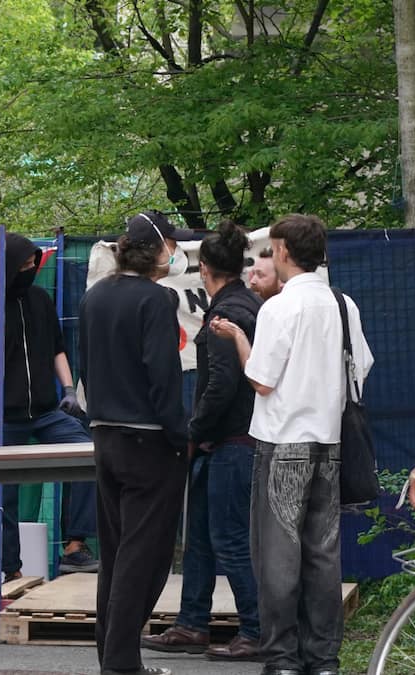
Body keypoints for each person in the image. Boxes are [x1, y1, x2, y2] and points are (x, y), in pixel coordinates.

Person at [212, 213, 372, 675]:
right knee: (323, 554)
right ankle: (323, 659)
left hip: (282, 441)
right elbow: (361, 368)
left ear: (283, 251)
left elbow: (261, 380)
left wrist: (240, 342)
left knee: (277, 556)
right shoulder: (343, 304)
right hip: (330, 440)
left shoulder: (279, 308)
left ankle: (282, 658)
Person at [79, 210, 197, 675]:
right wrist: (179, 435)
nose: (176, 252)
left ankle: (112, 655)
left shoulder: (95, 296)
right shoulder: (156, 299)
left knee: (115, 550)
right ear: (158, 249)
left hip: (104, 434)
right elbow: (162, 376)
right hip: (149, 440)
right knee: (143, 555)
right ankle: (122, 662)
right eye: (172, 244)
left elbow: (87, 367)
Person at [142, 221, 262, 662]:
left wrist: (194, 432)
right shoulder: (247, 305)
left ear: (204, 268)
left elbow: (222, 386)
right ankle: (192, 622)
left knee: (229, 539)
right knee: (200, 538)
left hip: (231, 442)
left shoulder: (225, 316)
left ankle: (256, 630)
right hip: (227, 442)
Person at [1, 232, 99, 582]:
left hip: (46, 412)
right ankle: (10, 570)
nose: (31, 269)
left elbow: (58, 348)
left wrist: (69, 389)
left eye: (34, 263)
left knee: (88, 454)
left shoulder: (41, 299)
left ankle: (74, 545)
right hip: (5, 417)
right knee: (4, 491)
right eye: (25, 265)